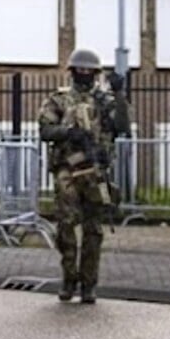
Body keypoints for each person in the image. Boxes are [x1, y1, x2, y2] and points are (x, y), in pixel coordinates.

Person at [38, 48, 130, 305]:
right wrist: (69, 132)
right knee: (66, 224)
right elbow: (45, 129)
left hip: (96, 170)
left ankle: (88, 284)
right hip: (68, 168)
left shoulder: (104, 100)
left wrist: (120, 94)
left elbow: (122, 126)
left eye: (90, 70)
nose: (85, 74)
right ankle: (69, 278)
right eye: (81, 69)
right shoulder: (59, 99)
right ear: (73, 71)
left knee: (93, 228)